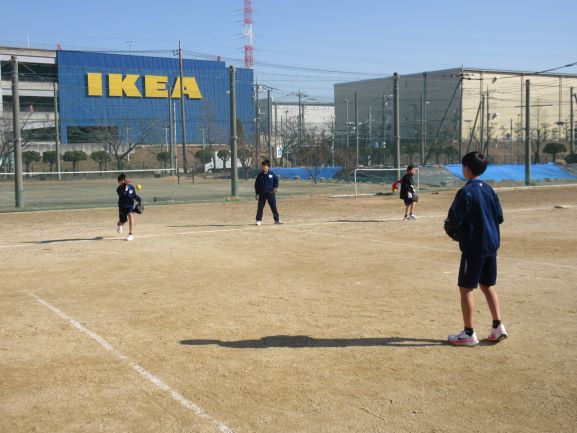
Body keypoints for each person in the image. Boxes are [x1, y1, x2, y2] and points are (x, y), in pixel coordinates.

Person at [446, 152, 507, 346]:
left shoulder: (466, 192)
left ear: (467, 168)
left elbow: (453, 220)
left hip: (474, 247)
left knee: (466, 288)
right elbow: (499, 217)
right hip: (491, 245)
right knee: (487, 285)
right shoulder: (490, 190)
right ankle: (498, 326)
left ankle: (468, 333)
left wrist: (456, 234)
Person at [254, 159, 283, 225]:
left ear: (268, 167)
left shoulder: (272, 174)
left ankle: (277, 220)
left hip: (271, 193)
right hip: (262, 193)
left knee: (273, 207)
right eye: (263, 166)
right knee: (260, 207)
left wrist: (275, 187)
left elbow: (276, 181)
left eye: (265, 166)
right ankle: (258, 220)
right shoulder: (259, 175)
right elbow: (256, 185)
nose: (264, 167)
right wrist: (257, 193)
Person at [116, 173, 141, 241]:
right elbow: (122, 192)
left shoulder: (131, 187)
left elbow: (134, 195)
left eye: (124, 180)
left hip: (130, 205)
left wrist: (139, 200)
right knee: (123, 220)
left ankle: (130, 234)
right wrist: (125, 184)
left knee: (130, 215)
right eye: (122, 180)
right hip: (122, 206)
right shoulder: (119, 189)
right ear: (119, 182)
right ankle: (119, 224)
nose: (123, 181)